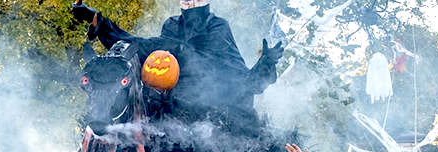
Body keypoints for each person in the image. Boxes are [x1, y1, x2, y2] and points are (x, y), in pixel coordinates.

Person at [72, 0, 282, 122]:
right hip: (167, 111)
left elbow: (241, 80)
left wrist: (265, 65)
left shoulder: (217, 27)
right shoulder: (172, 26)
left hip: (212, 113)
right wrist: (96, 21)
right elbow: (142, 48)